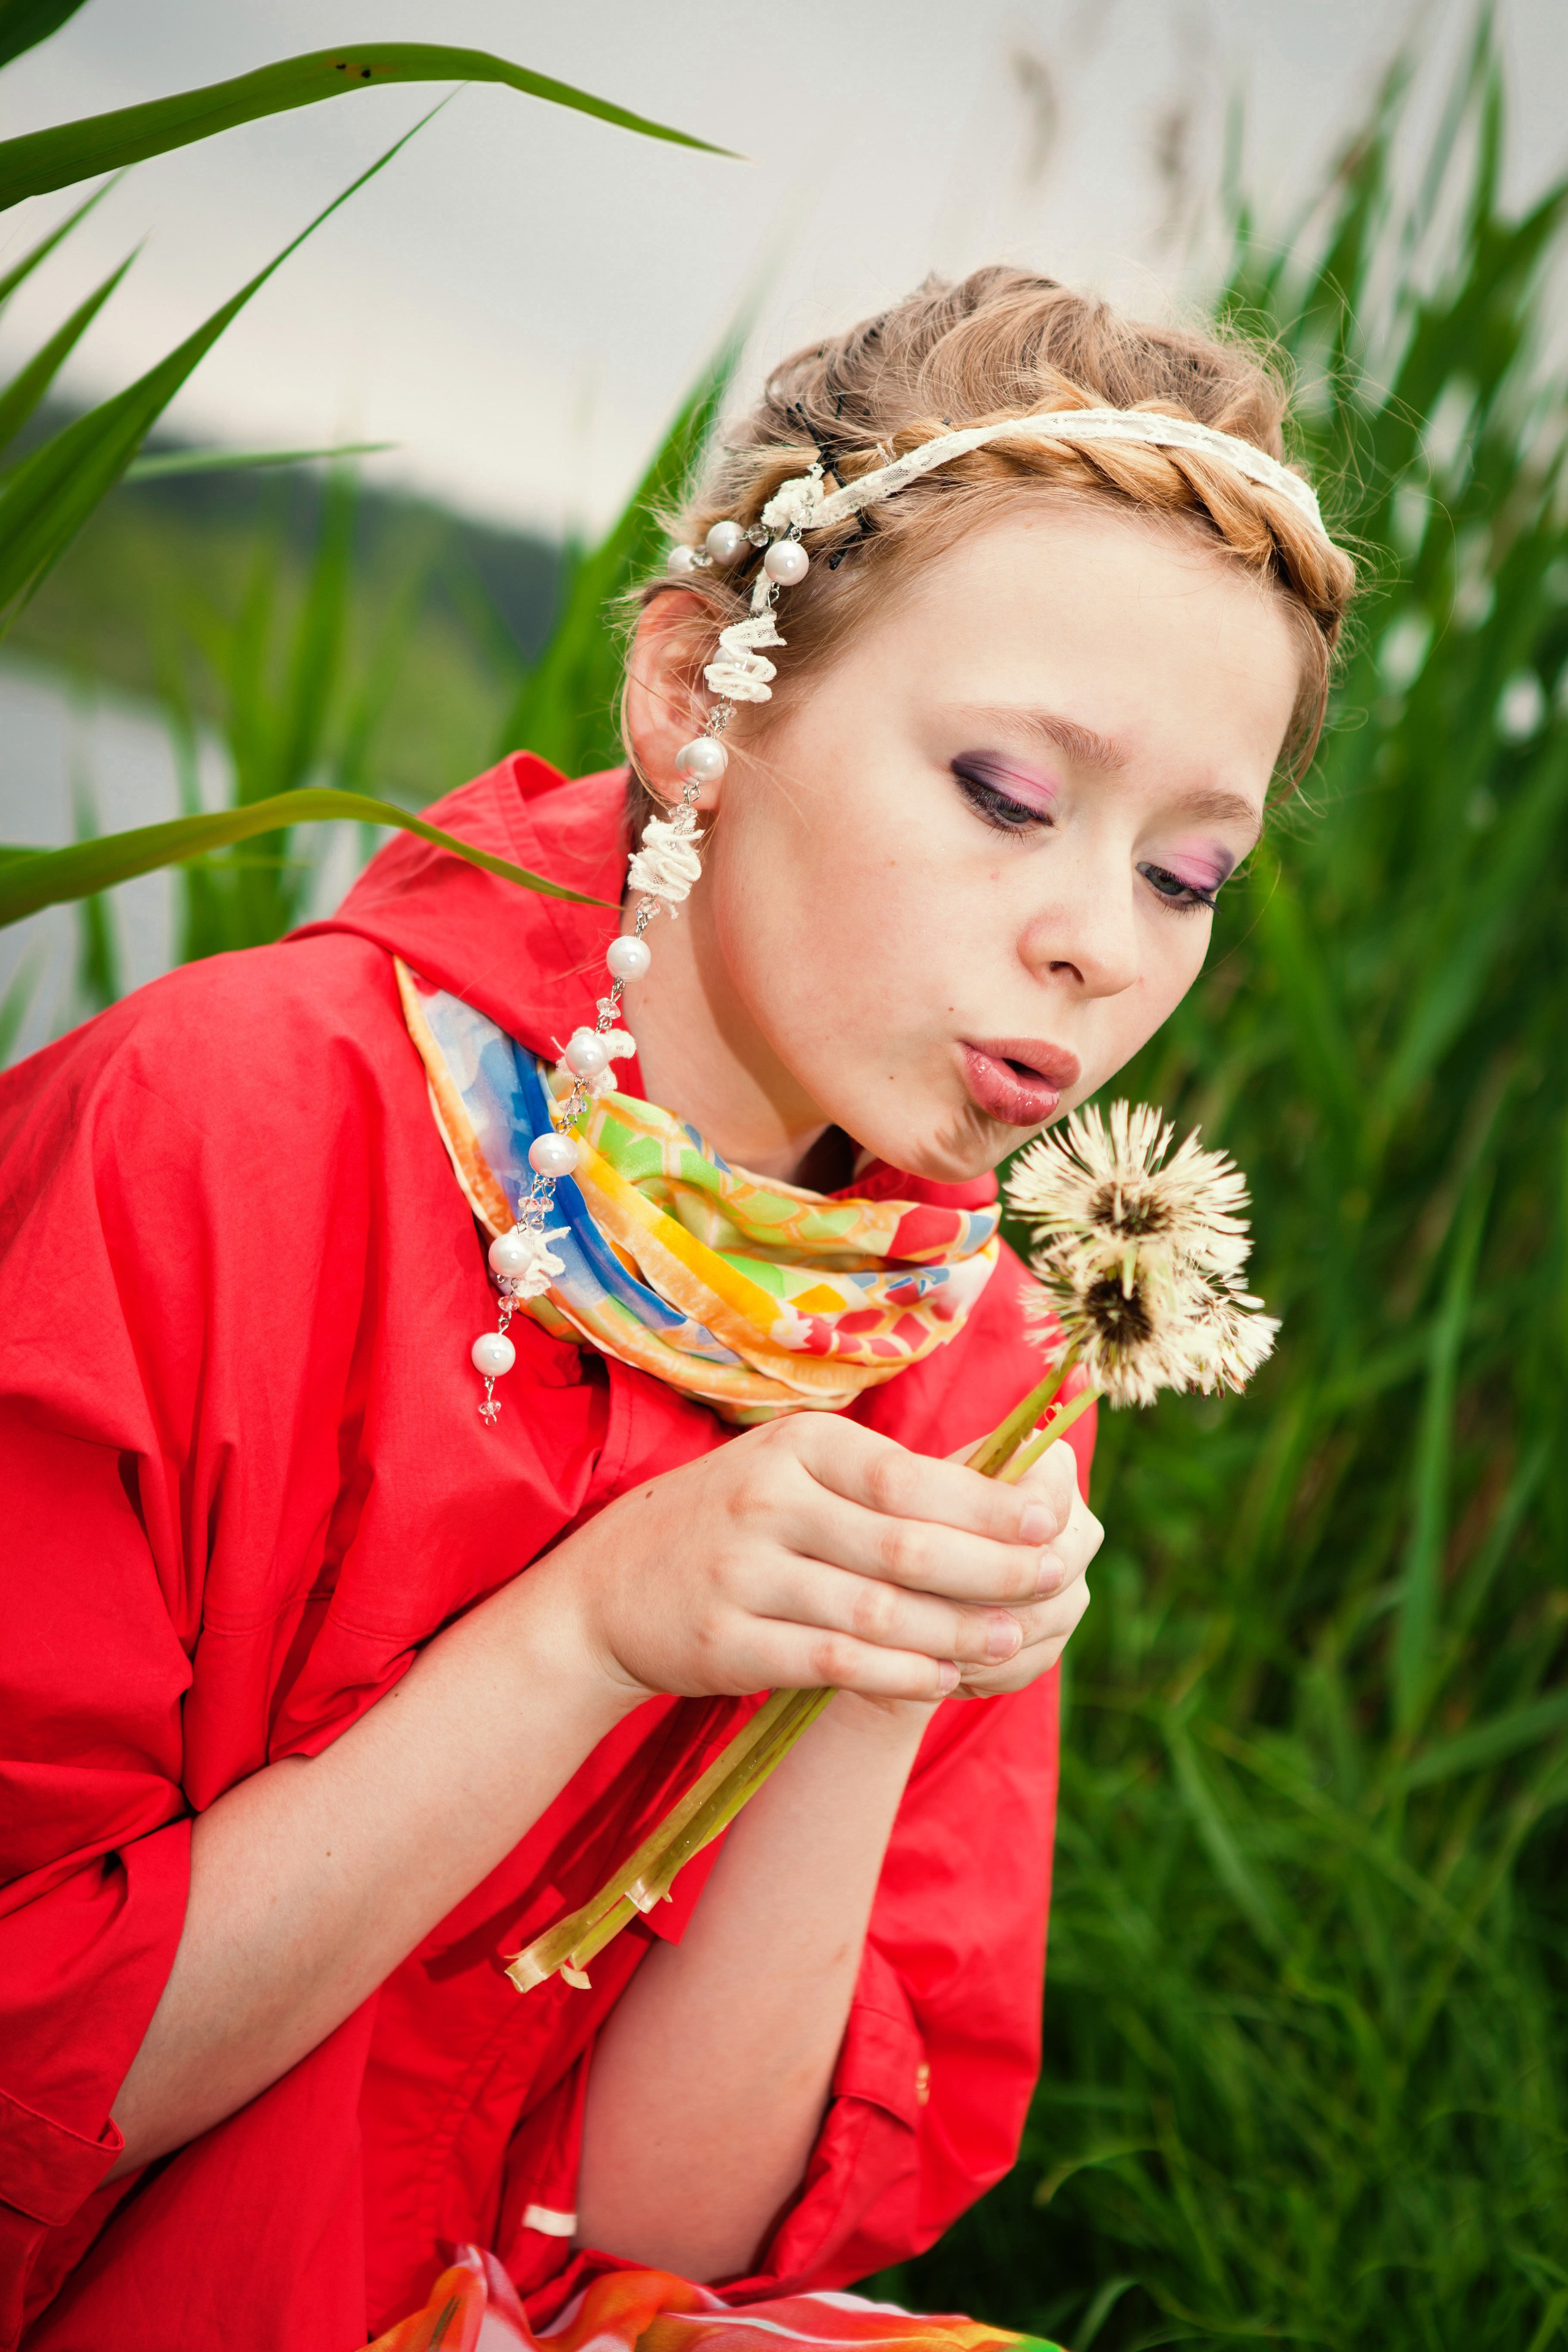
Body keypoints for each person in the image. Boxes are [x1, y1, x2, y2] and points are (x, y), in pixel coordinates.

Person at [0, 266, 1355, 2352]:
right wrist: (587, 1634)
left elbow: (660, 2229)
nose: (1098, 939)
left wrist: (887, 1673)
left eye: (1188, 874)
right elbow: (32, 2075)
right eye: (1007, 792)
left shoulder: (978, 1357)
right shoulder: (217, 1132)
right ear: (694, 701)